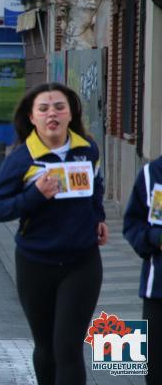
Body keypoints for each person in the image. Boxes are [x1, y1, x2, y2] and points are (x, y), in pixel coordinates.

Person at [0, 82, 108, 384]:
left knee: (67, 347)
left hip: (82, 262)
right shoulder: (21, 159)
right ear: (32, 117)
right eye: (43, 109)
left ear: (70, 114)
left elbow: (96, 188)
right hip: (35, 263)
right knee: (46, 348)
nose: (51, 114)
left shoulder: (88, 149)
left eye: (59, 107)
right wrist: (35, 195)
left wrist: (99, 217)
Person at [123, 159, 162, 385]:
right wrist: (153, 239)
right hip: (157, 292)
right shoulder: (151, 173)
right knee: (156, 371)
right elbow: (132, 224)